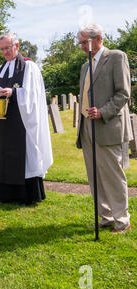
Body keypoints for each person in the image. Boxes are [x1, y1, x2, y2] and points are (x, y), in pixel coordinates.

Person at [76, 23, 132, 234]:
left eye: (84, 42)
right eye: (79, 42)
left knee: (112, 174)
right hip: (87, 127)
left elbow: (123, 93)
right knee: (95, 175)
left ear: (98, 38)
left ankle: (122, 220)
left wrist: (102, 111)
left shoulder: (116, 57)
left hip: (108, 125)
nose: (81, 46)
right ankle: (106, 216)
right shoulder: (84, 66)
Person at [0, 32, 53, 205]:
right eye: (1, 49)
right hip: (3, 124)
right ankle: (5, 194)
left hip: (22, 123)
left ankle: (26, 195)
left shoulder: (29, 68)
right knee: (2, 153)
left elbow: (33, 95)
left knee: (24, 155)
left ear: (17, 45)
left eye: (7, 48)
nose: (5, 52)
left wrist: (14, 92)